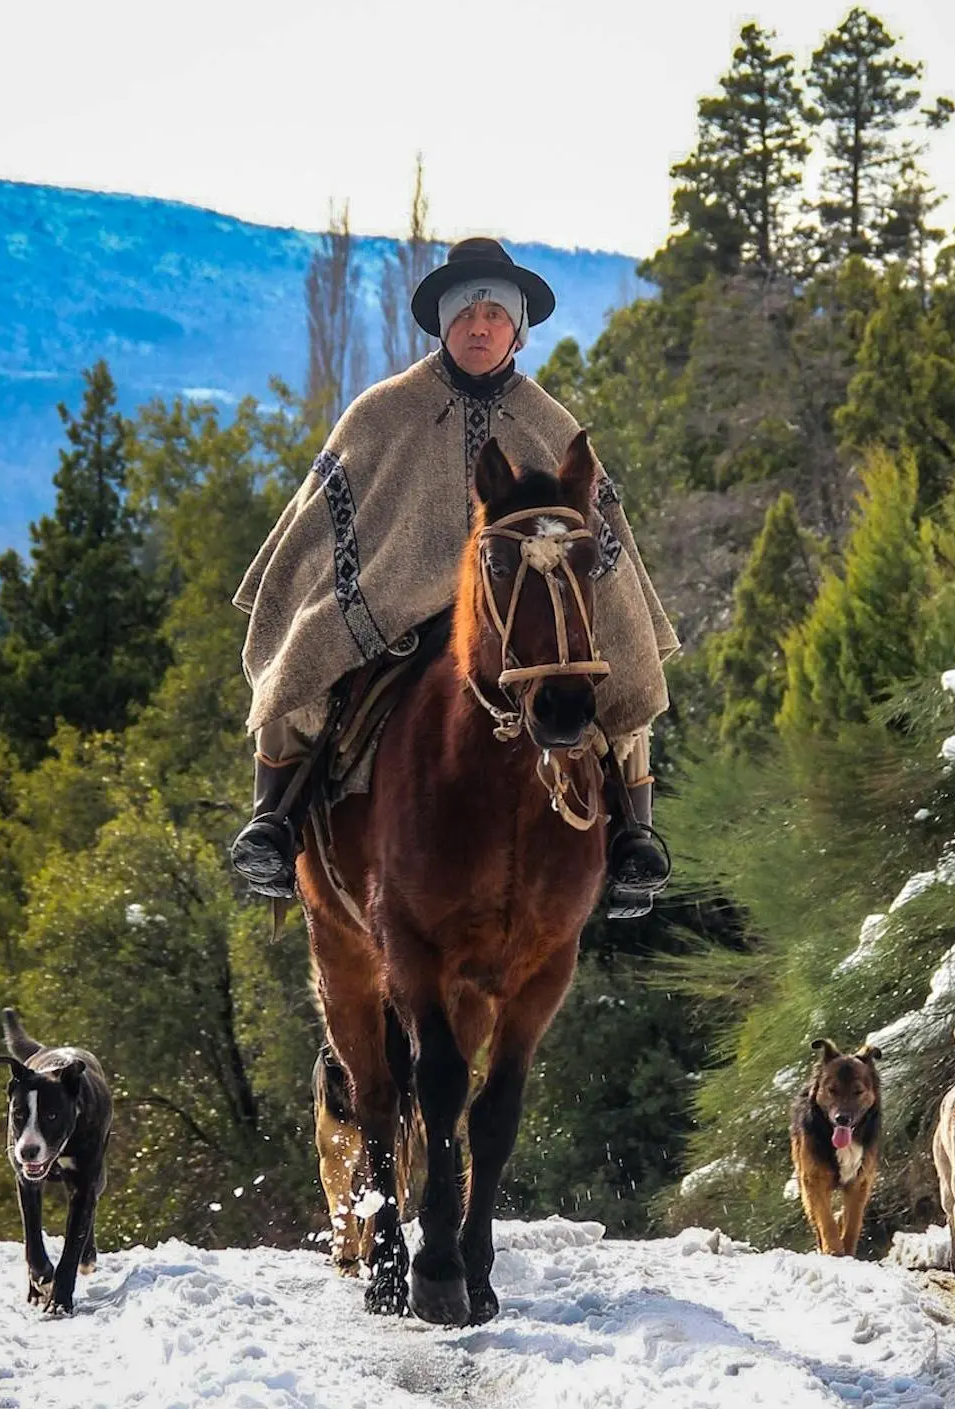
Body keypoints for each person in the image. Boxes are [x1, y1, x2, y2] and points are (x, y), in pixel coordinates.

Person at [228, 237, 680, 917]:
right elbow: (321, 524)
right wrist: (332, 601)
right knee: (305, 663)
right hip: (395, 617)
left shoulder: (550, 425)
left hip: (523, 624)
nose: (479, 327)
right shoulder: (382, 413)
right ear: (443, 324)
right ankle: (273, 824)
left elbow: (602, 541)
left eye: (495, 315)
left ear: (517, 330)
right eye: (465, 315)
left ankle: (634, 840)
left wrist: (608, 624)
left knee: (620, 669)